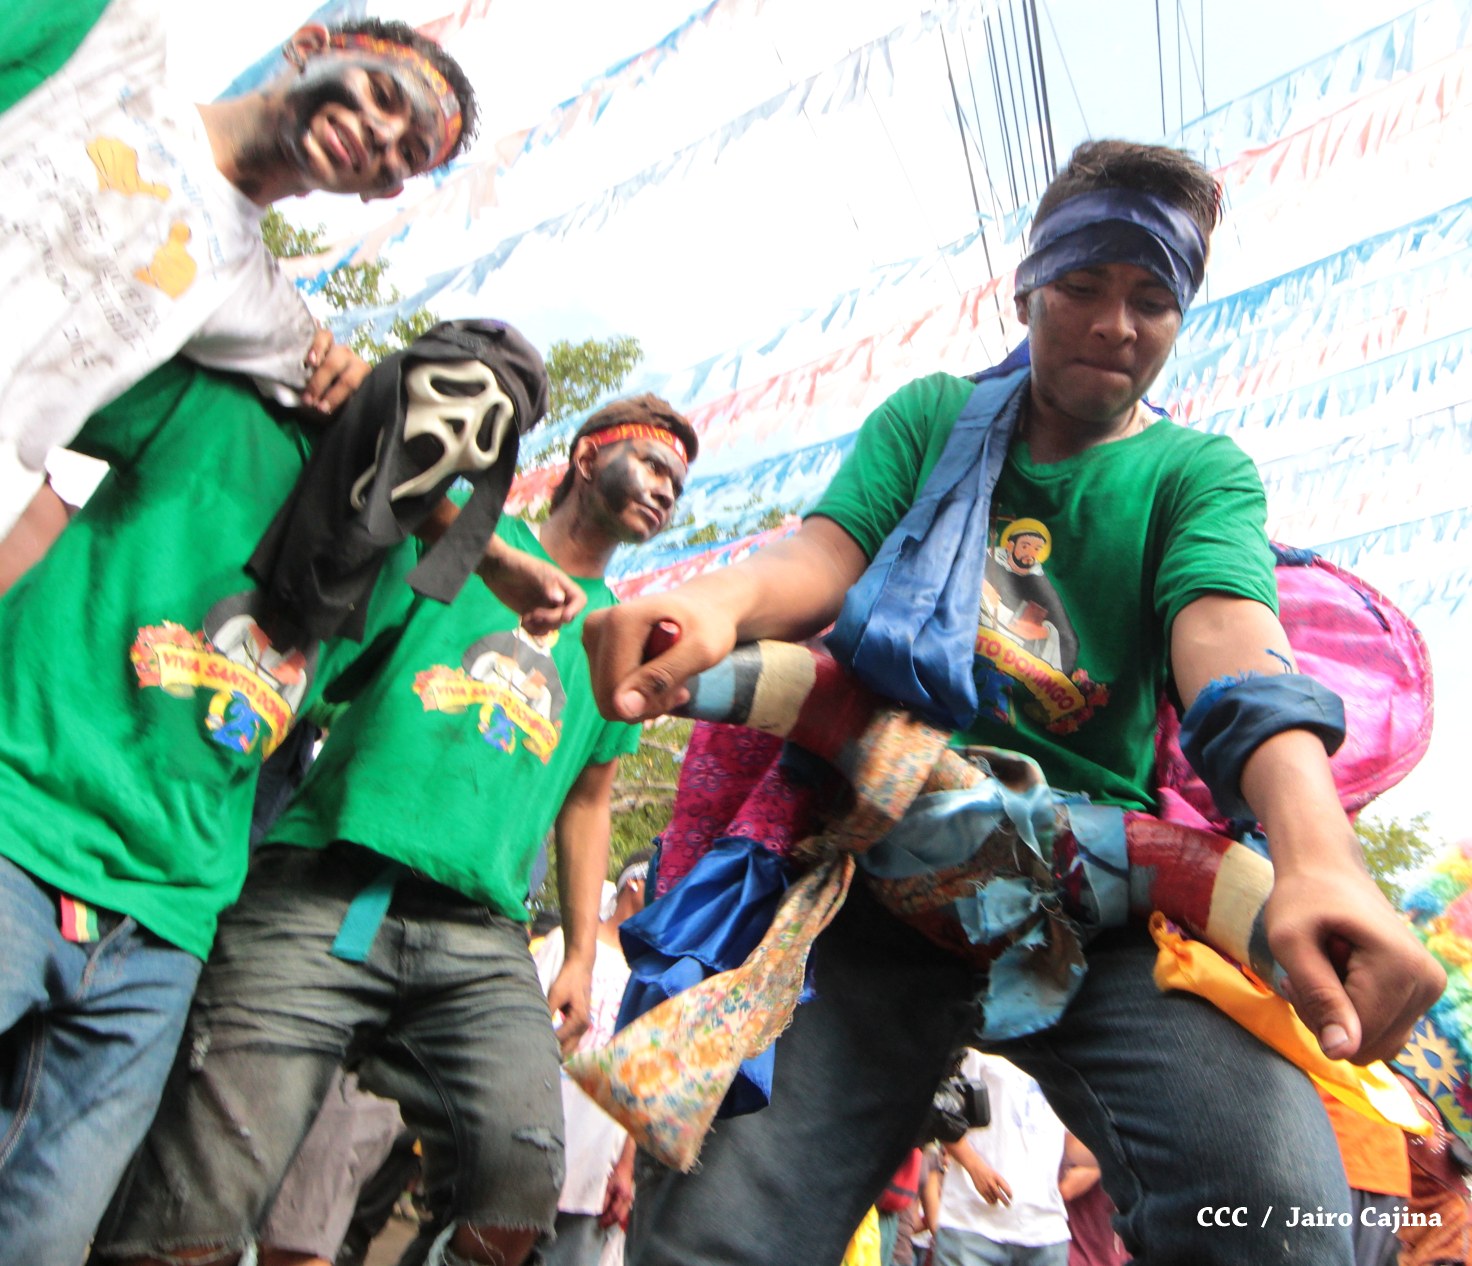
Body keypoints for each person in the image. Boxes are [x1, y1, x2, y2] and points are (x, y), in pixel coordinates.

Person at [582, 139, 1444, 1264]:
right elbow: (822, 556)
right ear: (1027, 286)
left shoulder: (1196, 474)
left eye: (1151, 300)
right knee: (716, 1234)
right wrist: (711, 604)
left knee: (1278, 1217)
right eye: (1082, 285)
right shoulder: (932, 419)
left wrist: (1318, 856)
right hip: (867, 867)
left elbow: (1232, 645)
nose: (1115, 324)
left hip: (1099, 891)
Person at [93, 396, 697, 1266]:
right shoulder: (465, 545)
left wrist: (575, 955)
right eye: (653, 465)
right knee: (194, 1208)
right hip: (322, 885)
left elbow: (590, 800)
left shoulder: (618, 636)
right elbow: (375, 521)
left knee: (518, 1193)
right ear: (585, 457)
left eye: (679, 483)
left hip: (480, 936)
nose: (666, 490)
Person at [0, 338, 527, 1266]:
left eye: (486, 441)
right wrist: (287, 357)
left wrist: (473, 551)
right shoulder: (210, 408)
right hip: (23, 828)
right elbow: (46, 375)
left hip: (166, 924)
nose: (451, 441)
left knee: (44, 1233)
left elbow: (320, 701)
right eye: (441, 404)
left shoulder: (387, 569)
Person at [0, 0, 480, 550]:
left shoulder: (253, 299)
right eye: (382, 94)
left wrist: (352, 380)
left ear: (384, 190)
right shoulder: (114, 48)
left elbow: (372, 431)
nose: (382, 135)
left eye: (409, 151)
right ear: (308, 48)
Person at [535, 852, 653, 1266]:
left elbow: (641, 1081)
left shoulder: (651, 978)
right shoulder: (566, 945)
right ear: (635, 883)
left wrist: (626, 1166)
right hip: (534, 1137)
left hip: (596, 1163)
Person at [932, 1053, 1071, 1266]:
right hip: (972, 1225)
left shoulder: (1065, 1053)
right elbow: (940, 1109)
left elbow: (1072, 1143)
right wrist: (974, 1167)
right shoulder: (981, 1045)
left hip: (1046, 1229)